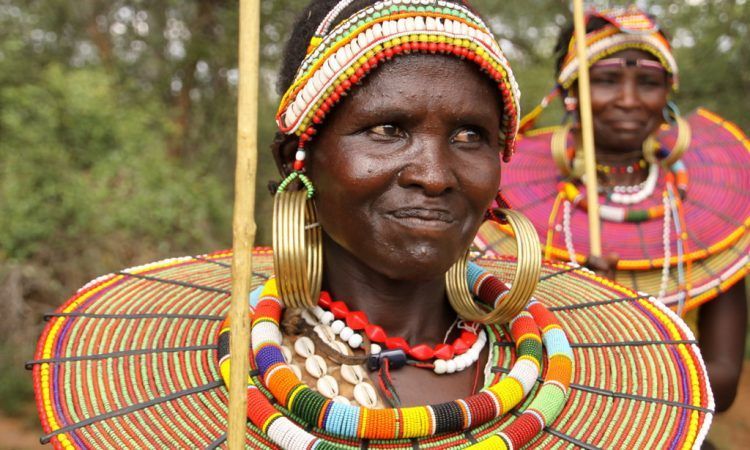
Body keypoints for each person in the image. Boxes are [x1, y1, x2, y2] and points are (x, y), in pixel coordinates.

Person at [32, 1, 714, 448]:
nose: (435, 173)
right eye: (388, 129)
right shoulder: (199, 381)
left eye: (471, 135)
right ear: (297, 157)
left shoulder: (578, 373)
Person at [476, 6, 749, 414]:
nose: (628, 100)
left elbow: (721, 386)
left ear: (667, 94)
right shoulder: (502, 199)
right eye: (605, 81)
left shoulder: (708, 211)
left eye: (648, 83)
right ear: (572, 92)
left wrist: (629, 327)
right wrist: (578, 308)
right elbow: (488, 363)